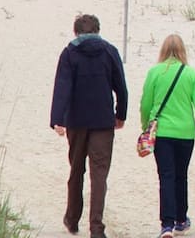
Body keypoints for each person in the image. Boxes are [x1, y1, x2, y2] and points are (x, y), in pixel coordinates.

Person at [50, 14, 128, 238]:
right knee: (99, 174)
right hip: (103, 121)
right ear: (97, 30)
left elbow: (62, 87)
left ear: (76, 32)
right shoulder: (109, 51)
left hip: (76, 121)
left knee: (77, 169)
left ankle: (72, 219)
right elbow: (121, 87)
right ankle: (96, 227)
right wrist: (120, 114)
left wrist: (57, 119)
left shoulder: (69, 53)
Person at [138, 34, 195, 238]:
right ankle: (181, 219)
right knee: (181, 175)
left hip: (162, 132)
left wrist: (146, 127)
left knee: (166, 176)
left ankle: (167, 224)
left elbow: (146, 103)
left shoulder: (155, 72)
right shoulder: (190, 74)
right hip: (185, 133)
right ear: (182, 51)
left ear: (163, 50)